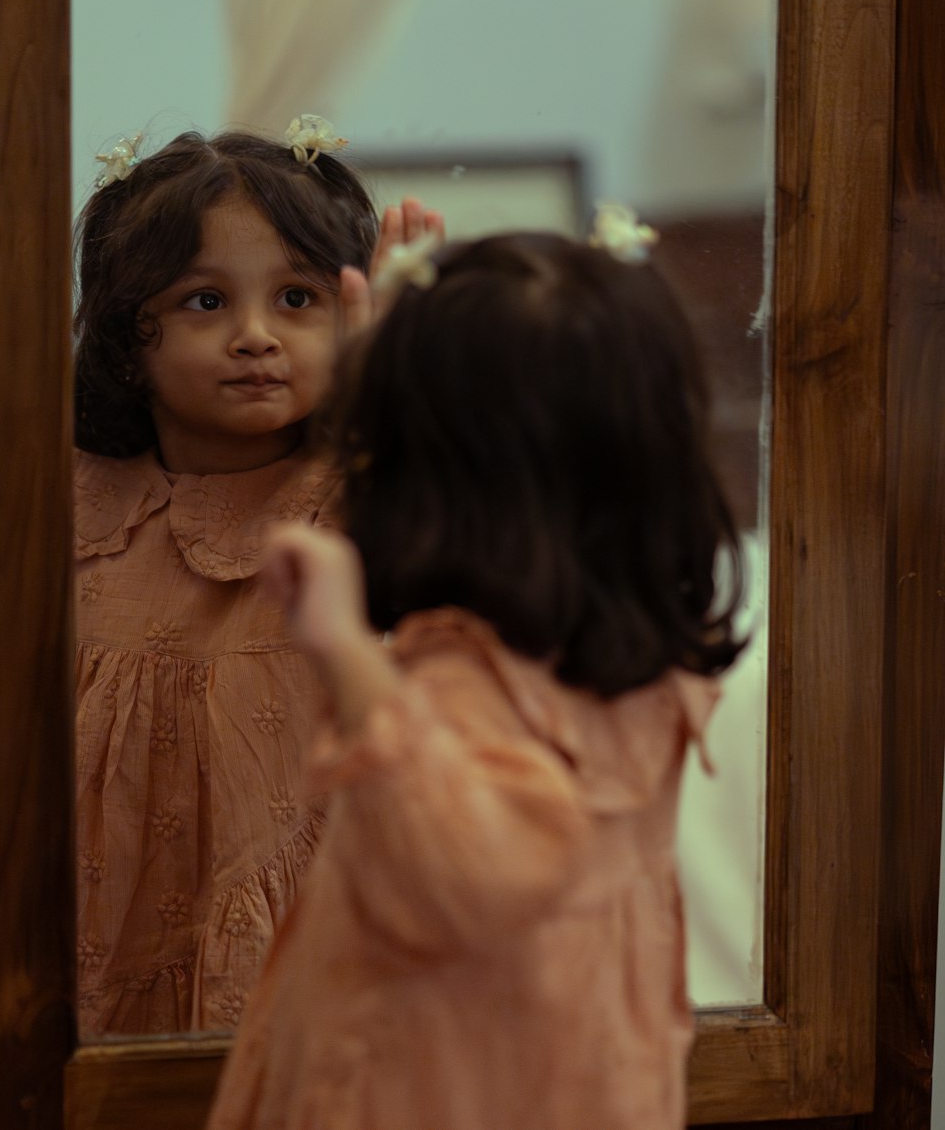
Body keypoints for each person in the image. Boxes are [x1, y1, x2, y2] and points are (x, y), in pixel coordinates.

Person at [207, 223, 747, 1129]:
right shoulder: (632, 664)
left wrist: (344, 653)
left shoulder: (467, 686)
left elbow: (471, 867)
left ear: (428, 476)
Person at [73, 120, 442, 1036]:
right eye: (204, 302)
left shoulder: (359, 493)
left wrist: (398, 378)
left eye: (296, 298)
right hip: (78, 937)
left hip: (303, 951)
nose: (254, 337)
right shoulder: (69, 498)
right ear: (127, 339)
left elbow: (481, 528)